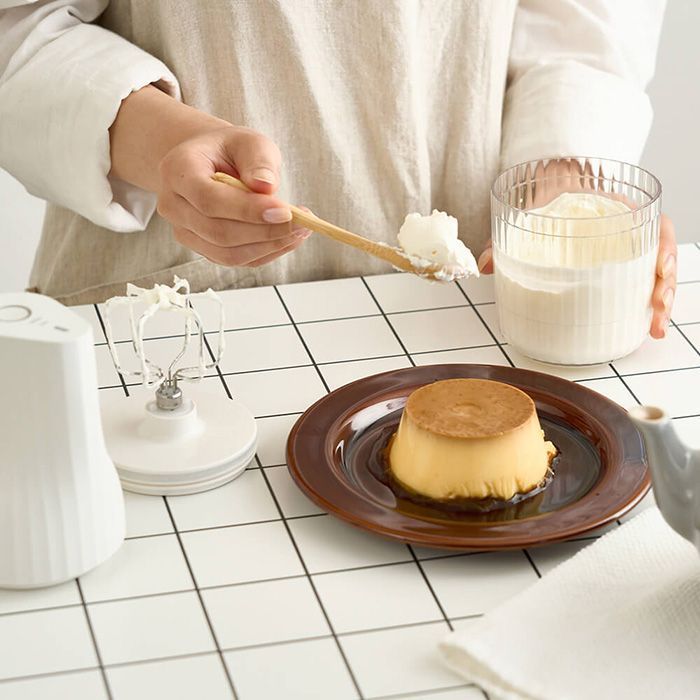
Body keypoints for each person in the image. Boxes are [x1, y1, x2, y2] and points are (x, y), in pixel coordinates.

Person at [0, 0, 676, 338]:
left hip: (478, 303)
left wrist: (565, 175)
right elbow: (18, 24)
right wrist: (166, 142)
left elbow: (588, 20)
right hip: (175, 312)